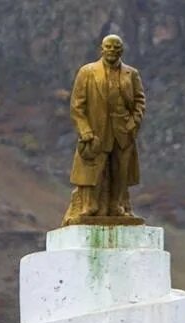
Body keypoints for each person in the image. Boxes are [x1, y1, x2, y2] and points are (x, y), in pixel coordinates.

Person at [61, 34, 146, 225]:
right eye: (108, 47)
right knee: (92, 169)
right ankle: (89, 206)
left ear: (122, 51)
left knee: (120, 171)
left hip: (123, 132)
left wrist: (134, 122)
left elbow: (140, 101)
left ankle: (117, 206)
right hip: (96, 132)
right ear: (101, 48)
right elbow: (77, 105)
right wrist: (85, 131)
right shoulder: (87, 71)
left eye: (116, 48)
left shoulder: (131, 74)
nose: (112, 51)